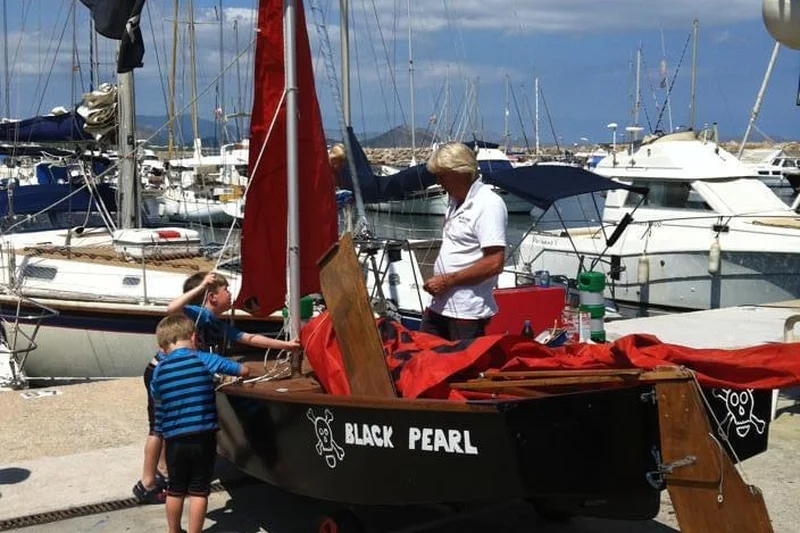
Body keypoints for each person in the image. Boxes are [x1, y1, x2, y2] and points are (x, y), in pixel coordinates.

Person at [150, 314, 251, 533]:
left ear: (163, 347)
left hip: (174, 438)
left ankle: (174, 530)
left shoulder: (159, 371)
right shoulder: (203, 359)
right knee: (198, 490)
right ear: (194, 337)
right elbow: (243, 371)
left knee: (175, 489)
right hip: (203, 437)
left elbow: (158, 401)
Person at [420, 142, 508, 341]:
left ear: (459, 172)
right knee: (426, 358)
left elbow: (495, 262)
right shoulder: (455, 201)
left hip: (466, 310)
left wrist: (447, 281)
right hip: (440, 304)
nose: (438, 181)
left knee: (461, 367)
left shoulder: (488, 204)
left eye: (441, 176)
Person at [167, 271, 301, 354]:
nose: (230, 294)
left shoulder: (215, 323)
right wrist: (202, 286)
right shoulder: (199, 313)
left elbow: (249, 338)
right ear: (212, 297)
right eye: (226, 290)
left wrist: (286, 345)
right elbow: (172, 309)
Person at [131, 349, 169, 505]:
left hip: (157, 367)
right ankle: (147, 483)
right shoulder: (195, 325)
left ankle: (163, 469)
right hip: (163, 371)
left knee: (163, 425)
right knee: (158, 428)